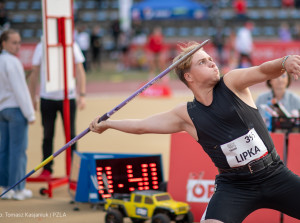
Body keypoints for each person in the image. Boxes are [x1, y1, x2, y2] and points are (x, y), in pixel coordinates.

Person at [89, 42, 300, 222]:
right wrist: (108, 124)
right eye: (202, 62)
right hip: (235, 187)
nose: (212, 62)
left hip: (275, 174)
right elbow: (142, 125)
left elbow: (263, 70)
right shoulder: (186, 115)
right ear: (188, 76)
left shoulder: (232, 82)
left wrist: (284, 62)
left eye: (210, 58)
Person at [28, 40, 86, 178]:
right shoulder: (41, 45)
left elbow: (80, 70)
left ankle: (74, 169)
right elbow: (34, 73)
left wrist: (82, 94)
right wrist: (32, 98)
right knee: (47, 135)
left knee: (71, 135)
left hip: (68, 97)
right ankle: (47, 169)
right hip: (47, 97)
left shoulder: (71, 44)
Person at [0, 29, 35, 200]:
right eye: (14, 42)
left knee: (5, 150)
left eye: (19, 42)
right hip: (15, 109)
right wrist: (30, 114)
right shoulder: (13, 62)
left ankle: (6, 187)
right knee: (18, 151)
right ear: (4, 43)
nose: (18, 46)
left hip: (3, 110)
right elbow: (21, 91)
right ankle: (18, 188)